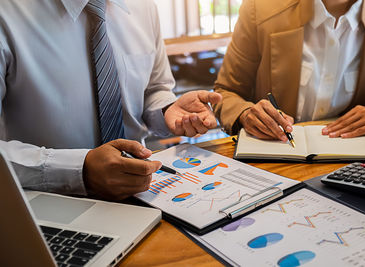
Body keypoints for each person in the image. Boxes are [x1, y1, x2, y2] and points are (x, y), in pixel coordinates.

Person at [0, 0, 222, 200]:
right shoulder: (7, 14)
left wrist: (167, 109)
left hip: (144, 191)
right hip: (49, 203)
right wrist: (79, 170)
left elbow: (154, 88)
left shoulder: (144, 7)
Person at [213, 0, 365, 143]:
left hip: (359, 166)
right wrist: (245, 113)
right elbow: (226, 92)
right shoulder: (260, 8)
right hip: (274, 155)